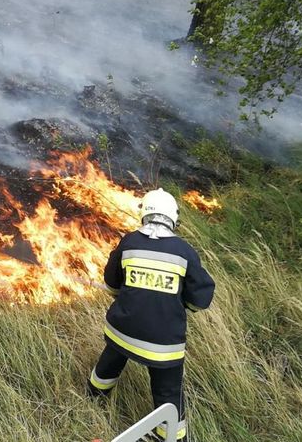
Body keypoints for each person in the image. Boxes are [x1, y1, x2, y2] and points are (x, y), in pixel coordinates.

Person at [87, 188, 215, 441]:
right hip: (162, 344)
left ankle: (94, 395)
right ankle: (171, 436)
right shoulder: (185, 252)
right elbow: (201, 299)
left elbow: (112, 282)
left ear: (145, 214)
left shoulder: (129, 242)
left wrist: (127, 294)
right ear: (172, 217)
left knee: (111, 360)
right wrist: (180, 303)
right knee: (168, 391)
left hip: (121, 331)